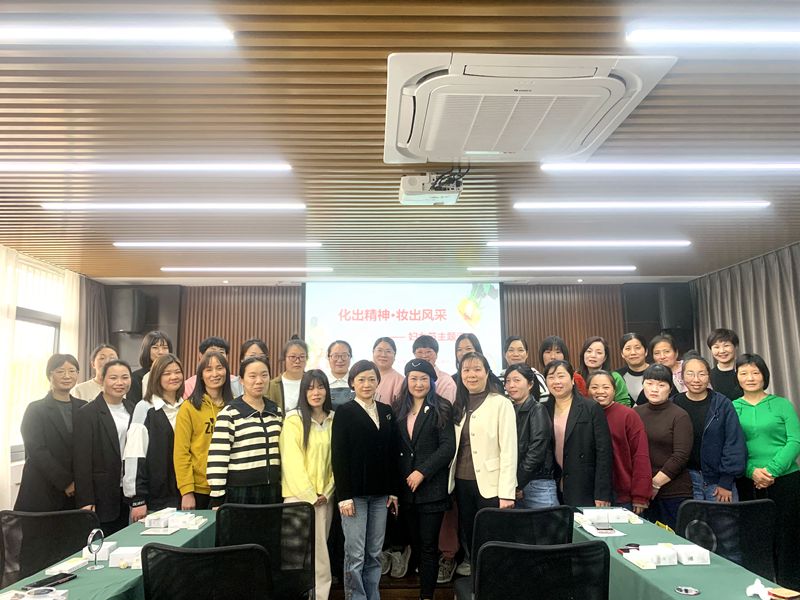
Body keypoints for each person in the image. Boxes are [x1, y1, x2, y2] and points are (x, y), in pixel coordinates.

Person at [331, 360, 398, 600]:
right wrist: (344, 496)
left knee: (374, 553)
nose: (367, 384)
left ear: (378, 381)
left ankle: (373, 595)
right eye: (361, 379)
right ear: (352, 383)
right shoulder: (345, 412)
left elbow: (392, 453)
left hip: (381, 495)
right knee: (355, 554)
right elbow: (339, 455)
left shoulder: (386, 411)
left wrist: (393, 491)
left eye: (371, 379)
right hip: (354, 497)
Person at [733, 354, 800, 589]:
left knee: (789, 538)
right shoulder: (732, 407)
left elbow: (795, 440)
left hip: (786, 480)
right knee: (754, 537)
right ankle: (758, 589)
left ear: (764, 375)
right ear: (737, 378)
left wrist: (771, 471)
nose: (750, 378)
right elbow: (731, 446)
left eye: (755, 372)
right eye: (744, 373)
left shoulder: (782, 404)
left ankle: (791, 589)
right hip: (748, 481)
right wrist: (751, 471)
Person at [449, 352, 517, 577]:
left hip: (492, 484)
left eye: (477, 369)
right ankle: (475, 575)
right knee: (469, 532)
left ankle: (493, 577)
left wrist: (507, 493)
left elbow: (509, 450)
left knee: (491, 534)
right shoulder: (458, 405)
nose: (471, 374)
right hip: (461, 481)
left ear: (487, 373)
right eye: (466, 370)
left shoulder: (501, 403)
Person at [394, 359, 455, 600]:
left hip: (432, 489)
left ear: (431, 381)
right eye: (413, 378)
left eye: (423, 379)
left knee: (429, 546)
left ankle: (426, 596)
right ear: (407, 381)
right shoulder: (398, 407)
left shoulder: (442, 407)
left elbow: (447, 447)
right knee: (416, 544)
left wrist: (422, 471)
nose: (418, 384)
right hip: (406, 490)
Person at [280, 370, 335, 600]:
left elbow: (338, 460)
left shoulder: (334, 419)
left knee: (320, 554)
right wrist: (310, 495)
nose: (316, 392)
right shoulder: (294, 420)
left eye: (320, 387)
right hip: (298, 498)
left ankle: (320, 596)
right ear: (303, 391)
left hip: (325, 498)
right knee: (294, 556)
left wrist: (327, 492)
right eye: (310, 388)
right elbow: (291, 462)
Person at [208, 356, 283, 506]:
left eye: (264, 375)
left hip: (273, 490)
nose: (259, 381)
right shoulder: (229, 413)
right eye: (252, 376)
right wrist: (217, 495)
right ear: (241, 380)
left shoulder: (276, 412)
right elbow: (218, 457)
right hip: (240, 491)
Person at [16, 354, 86, 512]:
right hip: (42, 487)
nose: (67, 376)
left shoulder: (84, 407)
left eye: (72, 371)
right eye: (60, 371)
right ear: (49, 375)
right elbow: (37, 450)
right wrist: (65, 482)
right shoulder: (35, 409)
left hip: (77, 489)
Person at [73, 359, 136, 535]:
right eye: (113, 378)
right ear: (102, 380)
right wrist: (85, 499)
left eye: (125, 377)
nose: (120, 382)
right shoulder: (87, 413)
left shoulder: (133, 408)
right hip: (102, 494)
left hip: (128, 490)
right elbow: (81, 460)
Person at [672, 354, 746, 502]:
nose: (696, 379)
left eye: (702, 374)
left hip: (718, 482)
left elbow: (734, 443)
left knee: (725, 518)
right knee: (691, 518)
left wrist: (726, 481)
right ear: (682, 376)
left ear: (709, 376)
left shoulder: (722, 404)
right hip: (685, 481)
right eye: (690, 374)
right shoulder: (674, 404)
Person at [544, 360, 613, 507]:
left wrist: (602, 493)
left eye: (561, 376)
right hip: (553, 485)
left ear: (572, 380)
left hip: (584, 485)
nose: (556, 381)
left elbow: (604, 452)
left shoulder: (591, 408)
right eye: (551, 377)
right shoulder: (543, 409)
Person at [125, 354, 185, 521]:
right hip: (152, 500)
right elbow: (134, 455)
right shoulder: (144, 408)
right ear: (156, 377)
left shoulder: (186, 407)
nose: (174, 377)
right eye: (167, 373)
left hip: (182, 496)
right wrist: (138, 498)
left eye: (177, 372)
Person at [634, 364, 693, 530]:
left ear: (670, 388)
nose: (654, 389)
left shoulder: (679, 415)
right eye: (650, 383)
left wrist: (654, 484)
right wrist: (642, 488)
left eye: (661, 385)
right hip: (642, 493)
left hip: (674, 492)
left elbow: (680, 456)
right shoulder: (636, 413)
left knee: (674, 540)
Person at [174, 351, 234, 510]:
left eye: (219, 368)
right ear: (201, 375)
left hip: (229, 487)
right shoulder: (188, 408)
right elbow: (181, 452)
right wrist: (187, 491)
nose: (215, 374)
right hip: (199, 489)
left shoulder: (234, 407)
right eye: (208, 369)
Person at [586, 370, 650, 514]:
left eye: (606, 387)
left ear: (614, 390)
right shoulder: (583, 414)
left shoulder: (628, 415)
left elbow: (640, 455)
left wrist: (640, 495)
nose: (600, 391)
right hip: (590, 493)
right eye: (594, 387)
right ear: (587, 390)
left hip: (623, 495)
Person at [504, 363, 557, 508]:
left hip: (538, 484)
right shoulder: (509, 410)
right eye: (508, 381)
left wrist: (517, 483)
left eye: (517, 380)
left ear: (530, 384)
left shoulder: (537, 409)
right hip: (516, 485)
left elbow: (536, 452)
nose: (511, 385)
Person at [573, 336, 631, 405]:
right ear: (583, 354)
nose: (593, 355)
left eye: (599, 352)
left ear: (605, 357)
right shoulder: (575, 377)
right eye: (589, 351)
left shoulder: (615, 377)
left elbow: (624, 403)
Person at [128, 331, 173, 404]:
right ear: (147, 350)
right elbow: (133, 405)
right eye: (155, 347)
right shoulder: (136, 377)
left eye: (165, 348)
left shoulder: (173, 376)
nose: (161, 352)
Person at [501, 336, 549, 402]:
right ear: (505, 354)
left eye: (520, 350)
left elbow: (544, 400)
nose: (516, 354)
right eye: (511, 350)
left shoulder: (536, 376)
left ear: (526, 354)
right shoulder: (498, 380)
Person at [267, 336, 308, 412]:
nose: (297, 361)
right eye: (293, 357)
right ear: (284, 359)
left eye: (302, 357)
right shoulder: (272, 386)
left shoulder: (312, 382)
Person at [413, 335, 456, 403]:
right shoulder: (410, 379)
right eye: (420, 352)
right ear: (414, 355)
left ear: (436, 354)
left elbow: (447, 407)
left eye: (428, 352)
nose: (424, 356)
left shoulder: (446, 381)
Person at [706, 328, 743, 401]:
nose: (722, 351)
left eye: (726, 345)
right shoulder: (709, 376)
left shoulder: (745, 372)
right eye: (716, 347)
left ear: (735, 346)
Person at [615, 333, 650, 405]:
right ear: (622, 354)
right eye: (628, 349)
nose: (633, 353)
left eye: (637, 348)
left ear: (646, 351)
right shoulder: (616, 376)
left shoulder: (659, 372)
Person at [373, 337, 404, 406]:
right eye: (379, 350)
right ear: (373, 352)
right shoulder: (364, 375)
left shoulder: (400, 381)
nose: (383, 355)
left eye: (388, 351)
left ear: (394, 355)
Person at [326, 340, 355, 409]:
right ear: (328, 358)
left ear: (350, 357)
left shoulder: (357, 381)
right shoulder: (322, 382)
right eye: (335, 356)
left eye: (344, 355)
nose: (340, 360)